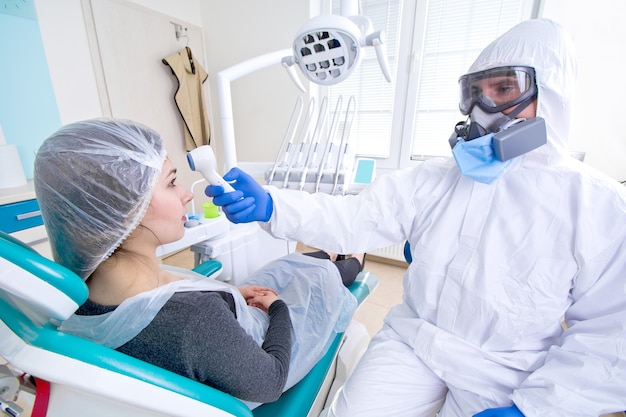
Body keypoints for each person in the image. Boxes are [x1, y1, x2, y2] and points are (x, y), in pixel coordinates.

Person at [206, 19, 626, 417]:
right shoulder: (437, 177)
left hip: (508, 367)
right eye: (475, 91)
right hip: (417, 340)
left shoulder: (594, 204)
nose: (483, 107)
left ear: (548, 95)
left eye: (503, 88)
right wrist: (274, 206)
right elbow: (353, 217)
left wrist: (536, 407)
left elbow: (613, 332)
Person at [33, 118, 363, 408]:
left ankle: (333, 254)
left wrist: (226, 293)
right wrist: (278, 309)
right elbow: (270, 382)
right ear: (128, 207)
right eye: (172, 182)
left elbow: (168, 302)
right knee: (318, 276)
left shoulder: (82, 296)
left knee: (287, 265)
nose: (187, 194)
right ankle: (351, 257)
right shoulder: (195, 321)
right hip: (262, 347)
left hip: (226, 333)